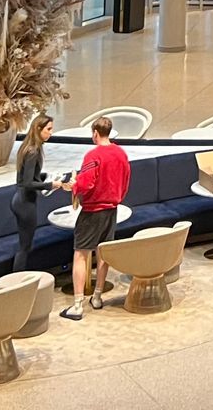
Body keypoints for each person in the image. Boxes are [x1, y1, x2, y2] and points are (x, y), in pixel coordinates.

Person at [57, 115, 130, 319]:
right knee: (103, 253)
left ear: (95, 133)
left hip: (92, 212)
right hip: (112, 209)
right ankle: (97, 297)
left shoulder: (93, 155)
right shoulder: (121, 153)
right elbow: (126, 180)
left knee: (81, 254)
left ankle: (78, 305)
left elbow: (87, 183)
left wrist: (74, 185)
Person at [10, 112, 56, 272]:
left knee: (25, 245)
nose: (50, 133)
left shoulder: (28, 147)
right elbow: (27, 183)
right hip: (25, 203)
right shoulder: (33, 151)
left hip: (20, 200)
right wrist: (51, 184)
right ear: (38, 128)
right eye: (48, 129)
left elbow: (27, 176)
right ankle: (16, 282)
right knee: (25, 247)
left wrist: (43, 176)